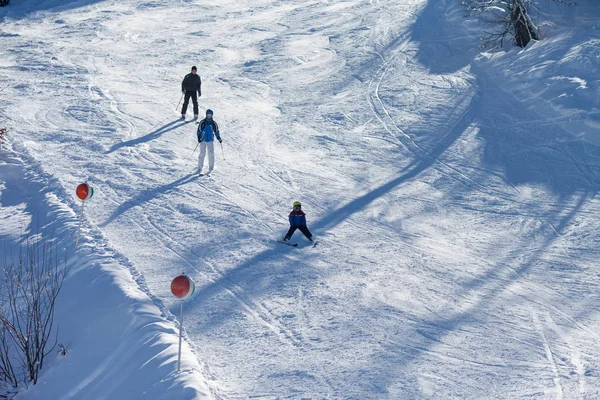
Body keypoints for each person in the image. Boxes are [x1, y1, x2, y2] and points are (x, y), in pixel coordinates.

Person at [196, 109, 222, 175]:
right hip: (203, 139)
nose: (209, 116)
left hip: (210, 139)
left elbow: (216, 131)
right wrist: (199, 137)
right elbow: (199, 130)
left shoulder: (213, 123)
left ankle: (211, 167)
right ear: (206, 115)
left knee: (211, 154)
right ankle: (200, 167)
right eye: (208, 115)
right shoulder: (203, 122)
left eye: (210, 115)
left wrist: (218, 137)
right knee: (202, 153)